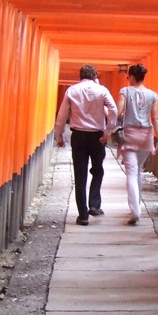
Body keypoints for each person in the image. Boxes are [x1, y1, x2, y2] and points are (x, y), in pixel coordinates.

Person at [54, 64, 117, 225]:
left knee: (80, 175)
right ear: (95, 75)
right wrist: (108, 131)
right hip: (97, 136)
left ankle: (83, 216)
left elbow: (62, 116)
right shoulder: (102, 90)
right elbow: (113, 110)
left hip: (79, 136)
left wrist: (59, 136)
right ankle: (94, 204)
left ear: (79, 76)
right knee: (97, 170)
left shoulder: (72, 91)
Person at [116, 63, 158, 225]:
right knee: (138, 171)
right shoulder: (153, 95)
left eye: (128, 76)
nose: (127, 79)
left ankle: (135, 210)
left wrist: (113, 124)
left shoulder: (125, 92)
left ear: (133, 77)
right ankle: (136, 205)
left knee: (131, 172)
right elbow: (155, 118)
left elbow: (119, 112)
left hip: (130, 134)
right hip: (146, 135)